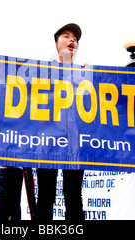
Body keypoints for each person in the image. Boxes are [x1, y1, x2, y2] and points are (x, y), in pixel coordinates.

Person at [35, 23, 85, 221]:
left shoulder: (85, 74)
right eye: (66, 36)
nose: (72, 40)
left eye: (75, 38)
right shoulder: (39, 70)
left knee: (74, 195)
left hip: (74, 141)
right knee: (46, 194)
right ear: (56, 42)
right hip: (47, 141)